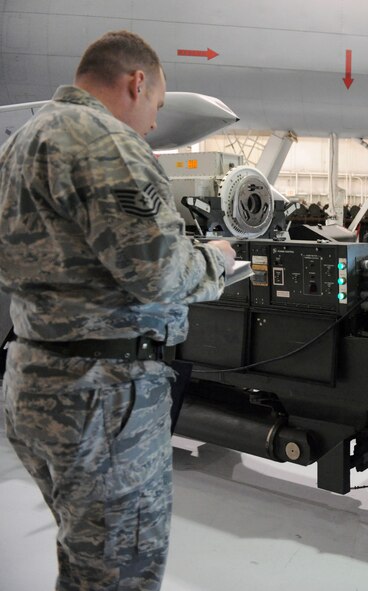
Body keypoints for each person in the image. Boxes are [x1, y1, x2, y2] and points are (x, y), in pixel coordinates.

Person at [0, 31, 236, 590]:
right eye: (155, 105)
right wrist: (217, 261)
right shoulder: (106, 141)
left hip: (34, 382)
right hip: (103, 399)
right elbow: (159, 272)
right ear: (136, 83)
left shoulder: (20, 141)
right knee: (118, 572)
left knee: (85, 558)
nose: (153, 123)